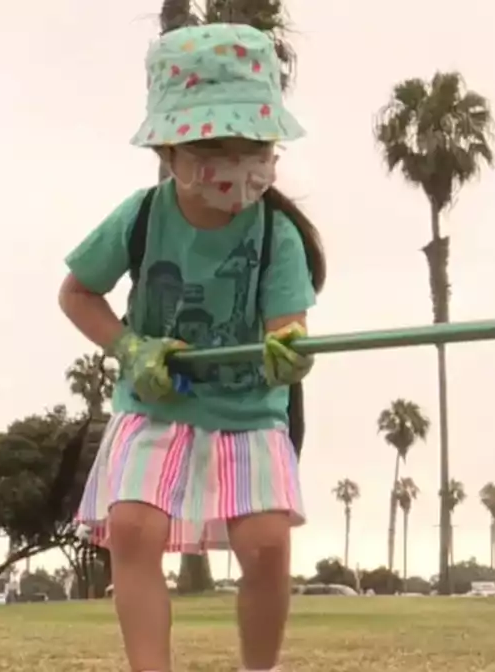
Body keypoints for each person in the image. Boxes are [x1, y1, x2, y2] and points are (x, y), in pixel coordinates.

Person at [59, 23, 323, 672]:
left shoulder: (278, 235)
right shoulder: (141, 217)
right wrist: (129, 346)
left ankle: (260, 669)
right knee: (132, 528)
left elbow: (289, 328)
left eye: (252, 146)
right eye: (215, 147)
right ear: (170, 151)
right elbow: (76, 295)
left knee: (265, 544)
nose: (236, 168)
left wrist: (289, 351)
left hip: (249, 412)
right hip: (155, 404)